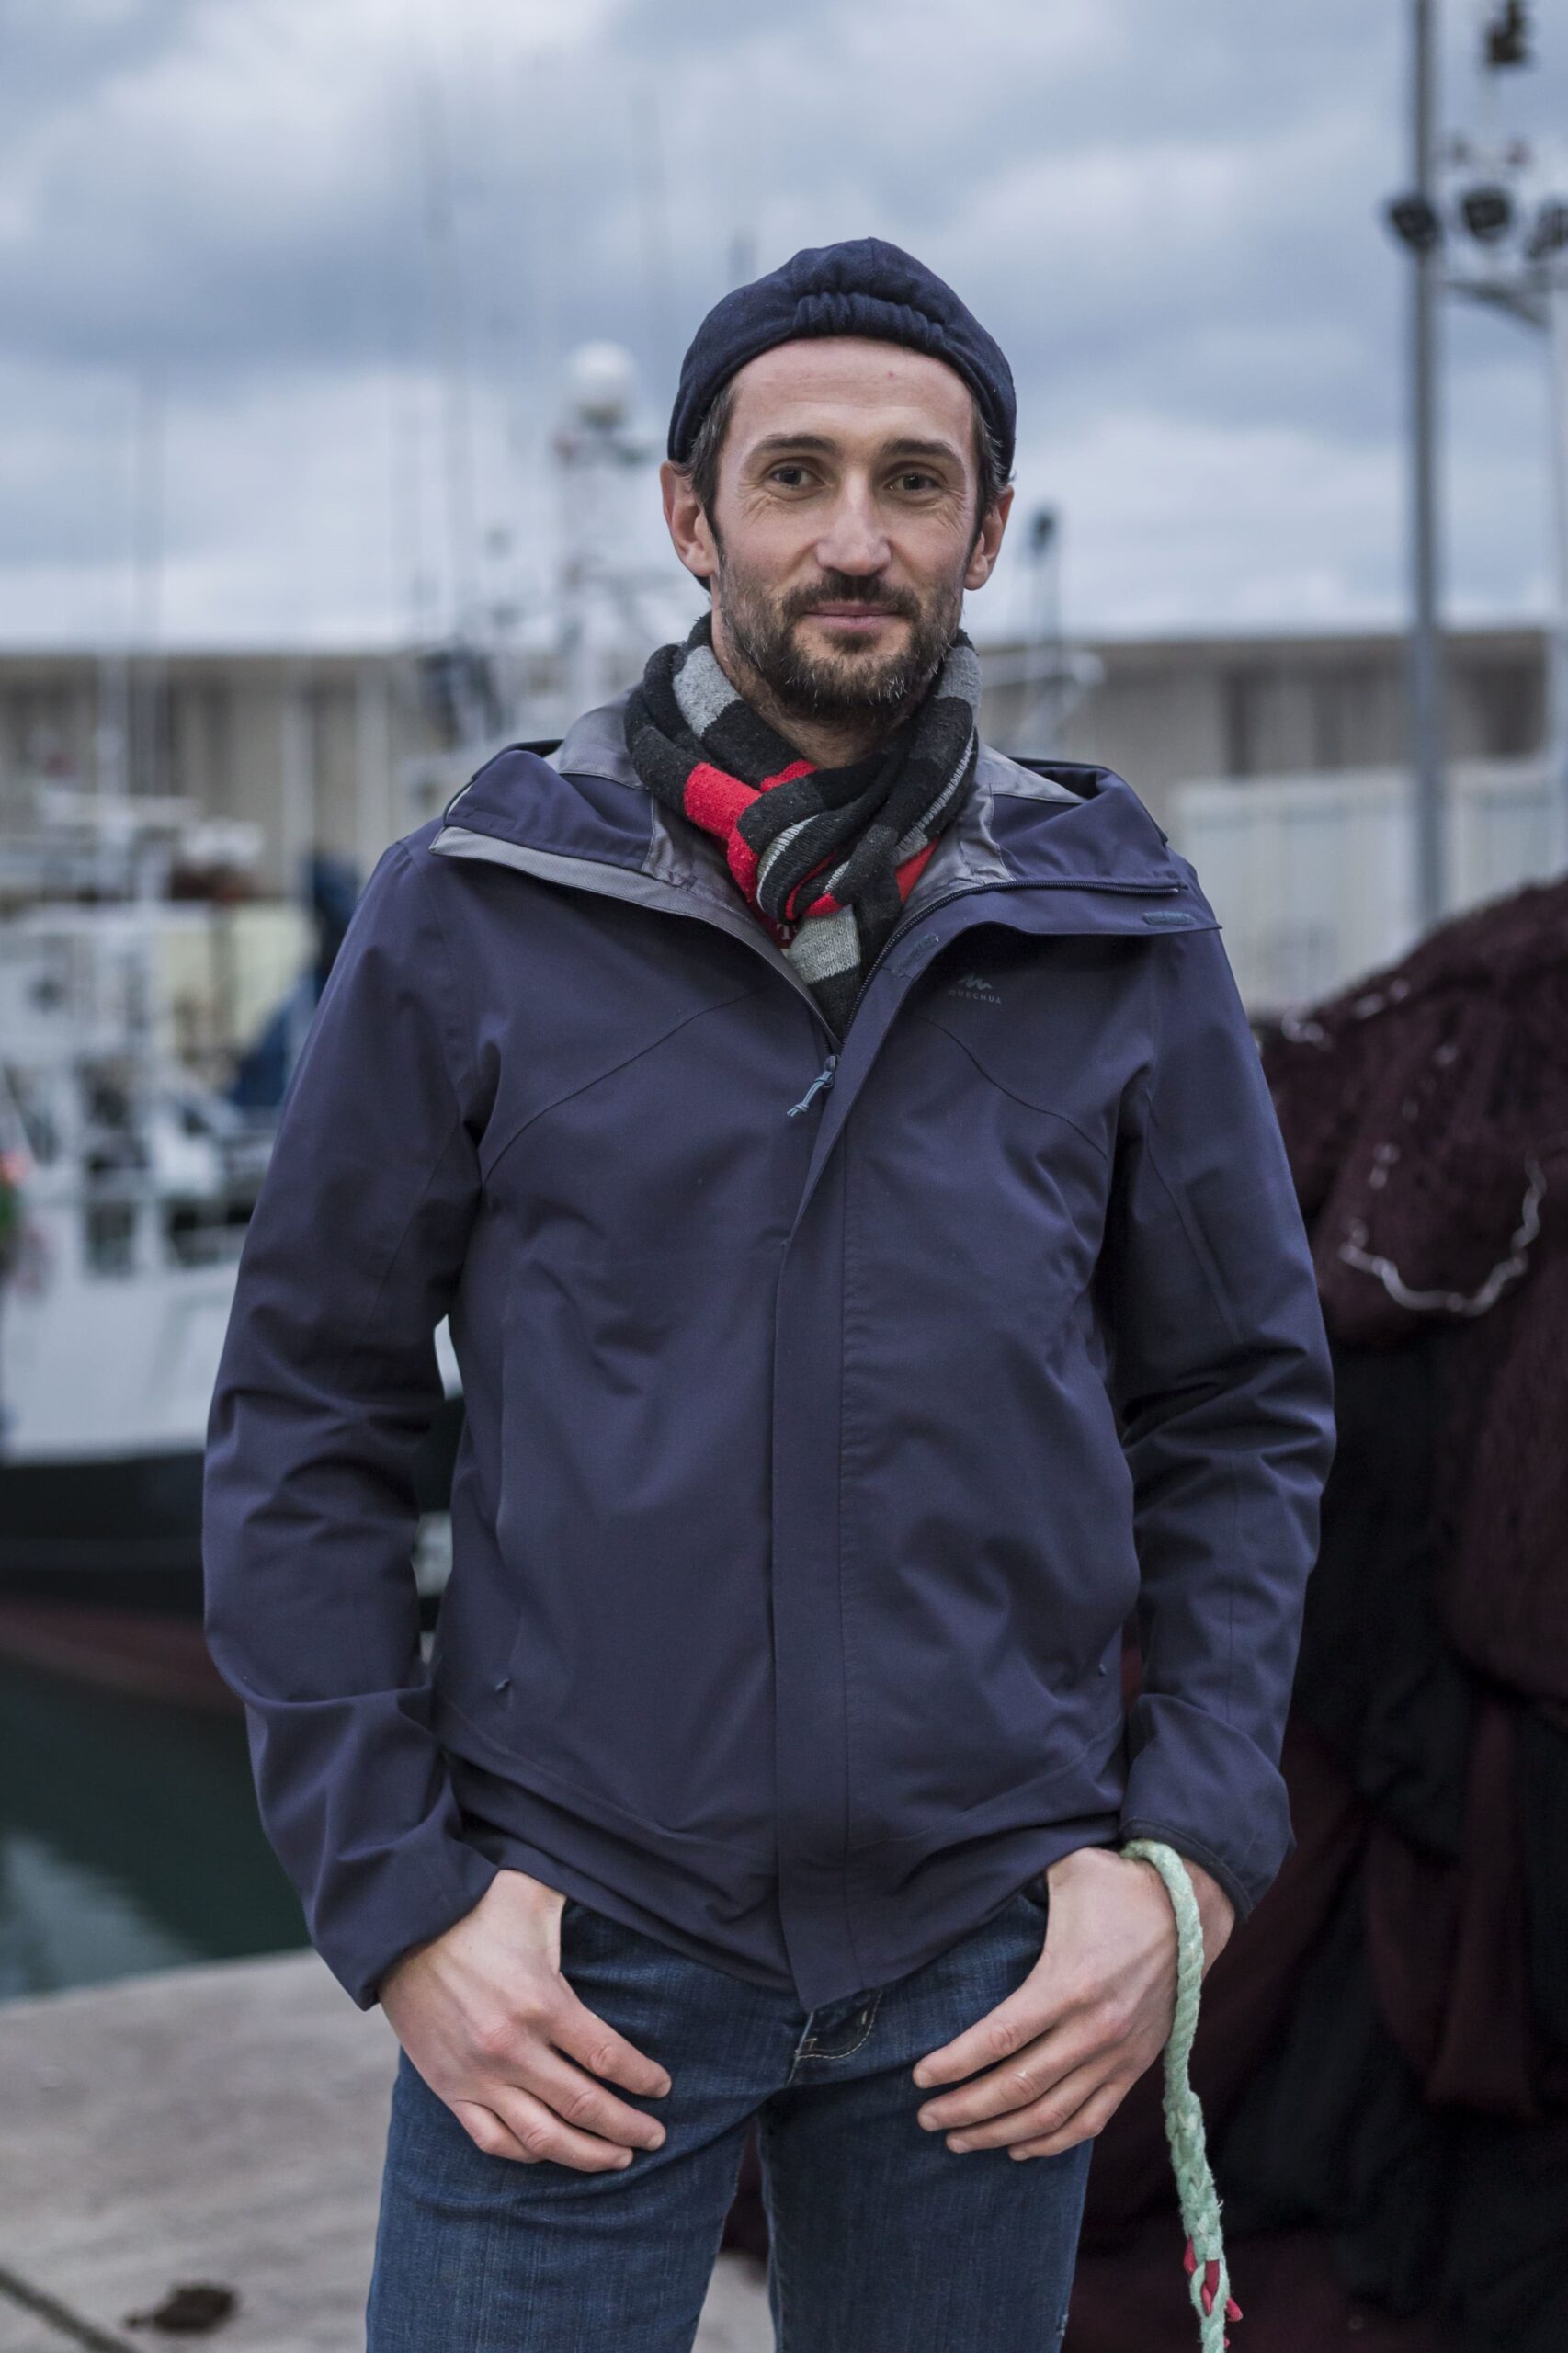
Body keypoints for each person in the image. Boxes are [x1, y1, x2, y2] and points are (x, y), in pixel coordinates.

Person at [203, 238, 1334, 2352]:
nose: (853, 535)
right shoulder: (477, 907)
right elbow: (310, 1408)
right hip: (575, 1944)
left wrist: (1182, 1852)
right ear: (689, 511)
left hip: (987, 1952)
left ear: (985, 530)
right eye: (794, 473)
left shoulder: (1115, 930)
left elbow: (1240, 1407)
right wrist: (401, 1902)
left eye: (915, 482)